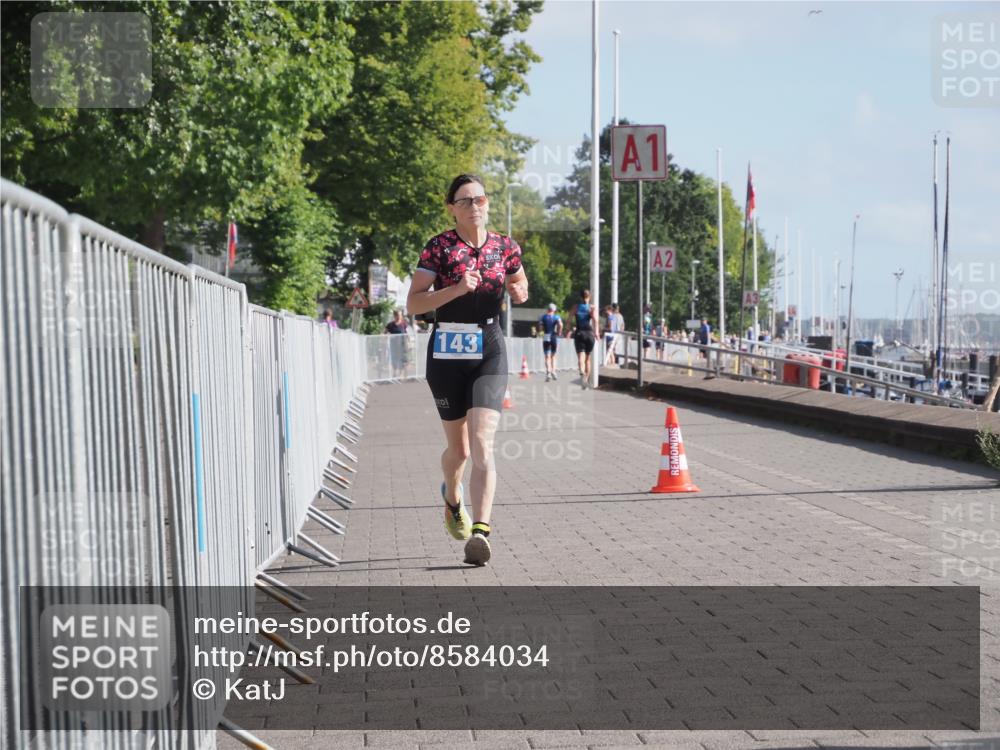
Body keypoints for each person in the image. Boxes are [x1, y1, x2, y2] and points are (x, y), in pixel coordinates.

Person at [406, 174, 529, 566]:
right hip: (446, 352)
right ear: (451, 208)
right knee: (457, 450)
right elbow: (414, 304)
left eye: (479, 199)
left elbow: (519, 279)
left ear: (487, 203)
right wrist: (457, 289)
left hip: (488, 349)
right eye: (465, 201)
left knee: (481, 445)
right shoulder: (439, 249)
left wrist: (520, 290)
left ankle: (481, 531)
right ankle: (452, 497)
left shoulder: (504, 247)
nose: (474, 206)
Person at [569, 289, 598, 389]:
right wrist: (597, 332)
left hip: (579, 333)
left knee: (581, 357)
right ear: (589, 297)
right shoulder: (591, 307)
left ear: (581, 297)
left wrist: (567, 330)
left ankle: (581, 371)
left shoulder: (576, 307)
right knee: (588, 359)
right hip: (589, 334)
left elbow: (569, 319)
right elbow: (595, 320)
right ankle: (586, 378)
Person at [539, 303, 563, 381]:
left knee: (547, 356)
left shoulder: (543, 317)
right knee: (553, 356)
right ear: (554, 310)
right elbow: (560, 324)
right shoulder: (556, 317)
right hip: (553, 336)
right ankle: (553, 371)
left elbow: (540, 327)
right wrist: (559, 332)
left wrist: (541, 331)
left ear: (548, 309)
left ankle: (548, 372)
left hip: (546, 336)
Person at [384, 308, 409, 379]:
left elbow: (407, 333)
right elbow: (384, 333)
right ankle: (394, 373)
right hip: (394, 346)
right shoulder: (390, 325)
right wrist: (386, 336)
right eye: (398, 315)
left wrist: (409, 342)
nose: (400, 317)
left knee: (403, 359)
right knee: (394, 359)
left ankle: (401, 374)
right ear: (395, 316)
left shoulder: (404, 324)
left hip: (402, 345)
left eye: (401, 315)